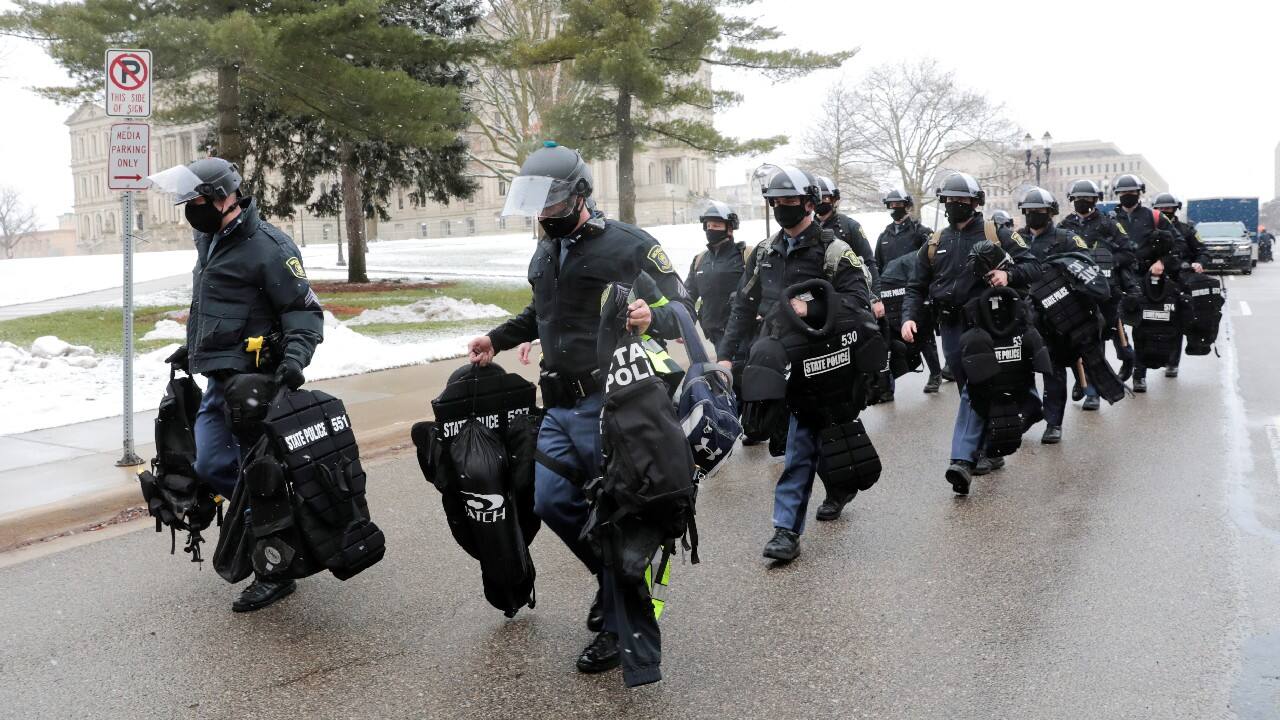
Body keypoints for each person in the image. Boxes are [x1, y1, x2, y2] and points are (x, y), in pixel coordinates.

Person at [467, 142, 693, 679]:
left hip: (612, 403)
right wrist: (495, 339)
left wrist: (648, 315)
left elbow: (683, 307)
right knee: (551, 501)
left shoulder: (629, 246)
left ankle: (621, 624)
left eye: (551, 203)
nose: (542, 215)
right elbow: (542, 314)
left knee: (617, 513)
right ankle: (616, 581)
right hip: (559, 403)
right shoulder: (545, 251)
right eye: (536, 205)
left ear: (580, 195)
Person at [154, 157, 325, 612]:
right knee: (212, 463)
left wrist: (292, 364)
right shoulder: (209, 240)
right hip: (220, 381)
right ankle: (284, 524)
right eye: (187, 201)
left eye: (196, 199)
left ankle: (277, 566)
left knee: (259, 476)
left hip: (258, 384)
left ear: (224, 195)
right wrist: (194, 351)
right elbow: (217, 306)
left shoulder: (268, 245)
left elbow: (303, 312)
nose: (190, 207)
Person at [716, 165, 875, 555]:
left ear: (809, 202)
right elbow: (742, 306)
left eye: (790, 201)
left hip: (823, 362)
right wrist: (724, 358)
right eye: (776, 202)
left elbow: (857, 305)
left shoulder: (835, 251)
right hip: (777, 364)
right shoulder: (765, 253)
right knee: (791, 441)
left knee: (807, 443)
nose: (783, 208)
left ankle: (795, 523)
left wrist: (812, 306)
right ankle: (816, 502)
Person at [901, 173, 1042, 494]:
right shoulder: (936, 241)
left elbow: (1034, 267)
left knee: (976, 387)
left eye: (961, 201)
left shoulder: (997, 233)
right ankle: (992, 446)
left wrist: (1008, 275)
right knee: (972, 387)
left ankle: (963, 458)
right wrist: (909, 318)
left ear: (976, 202)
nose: (954, 206)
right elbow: (916, 285)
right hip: (950, 326)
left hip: (988, 326)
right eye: (949, 201)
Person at [1017, 187, 1089, 445]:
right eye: (1029, 211)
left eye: (1039, 211)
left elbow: (1085, 270)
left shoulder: (1066, 238)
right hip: (1023, 315)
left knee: (1053, 369)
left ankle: (1054, 422)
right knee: (1020, 370)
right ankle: (1029, 412)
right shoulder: (1016, 239)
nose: (1034, 215)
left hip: (1055, 315)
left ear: (1050, 213)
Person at [1059, 179, 1137, 409]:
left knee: (1099, 340)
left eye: (1087, 199)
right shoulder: (1065, 226)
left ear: (1096, 200)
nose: (1082, 202)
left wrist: (1107, 261)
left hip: (1104, 293)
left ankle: (1096, 386)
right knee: (1076, 341)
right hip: (1075, 294)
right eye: (1078, 199)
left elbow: (1128, 252)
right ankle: (1084, 382)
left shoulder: (1108, 224)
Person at [1109, 174, 1186, 393]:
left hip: (1144, 280)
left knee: (1143, 328)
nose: (1127, 197)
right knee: (1114, 326)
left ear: (1139, 193)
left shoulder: (1155, 217)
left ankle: (1139, 375)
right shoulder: (1111, 219)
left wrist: (1162, 261)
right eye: (1123, 193)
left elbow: (1177, 244)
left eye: (1131, 193)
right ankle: (1126, 361)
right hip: (1118, 278)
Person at [875, 189, 943, 393]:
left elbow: (933, 259)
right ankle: (888, 386)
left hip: (916, 289)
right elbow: (878, 266)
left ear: (907, 205)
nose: (895, 209)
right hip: (891, 294)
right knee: (889, 337)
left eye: (899, 204)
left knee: (923, 333)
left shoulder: (920, 232)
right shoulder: (884, 236)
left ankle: (935, 373)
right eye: (891, 205)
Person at [1151, 192, 1208, 379]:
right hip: (1155, 283)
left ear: (1175, 209)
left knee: (1175, 323)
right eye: (1160, 209)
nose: (1164, 212)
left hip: (1180, 282)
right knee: (1153, 323)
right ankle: (1154, 358)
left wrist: (1198, 262)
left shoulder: (1186, 229)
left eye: (1168, 208)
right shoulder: (1148, 229)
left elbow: (1202, 251)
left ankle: (1172, 363)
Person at [814, 175, 882, 317]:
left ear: (834, 200)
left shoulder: (849, 227)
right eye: (818, 198)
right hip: (816, 298)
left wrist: (876, 299)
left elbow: (869, 261)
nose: (821, 201)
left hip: (848, 295)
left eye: (825, 198)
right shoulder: (808, 228)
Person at [684, 200, 748, 347]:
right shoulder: (699, 260)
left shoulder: (745, 256)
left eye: (716, 225)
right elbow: (688, 295)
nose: (711, 229)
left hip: (743, 332)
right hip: (714, 333)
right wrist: (685, 324)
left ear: (730, 228)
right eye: (708, 226)